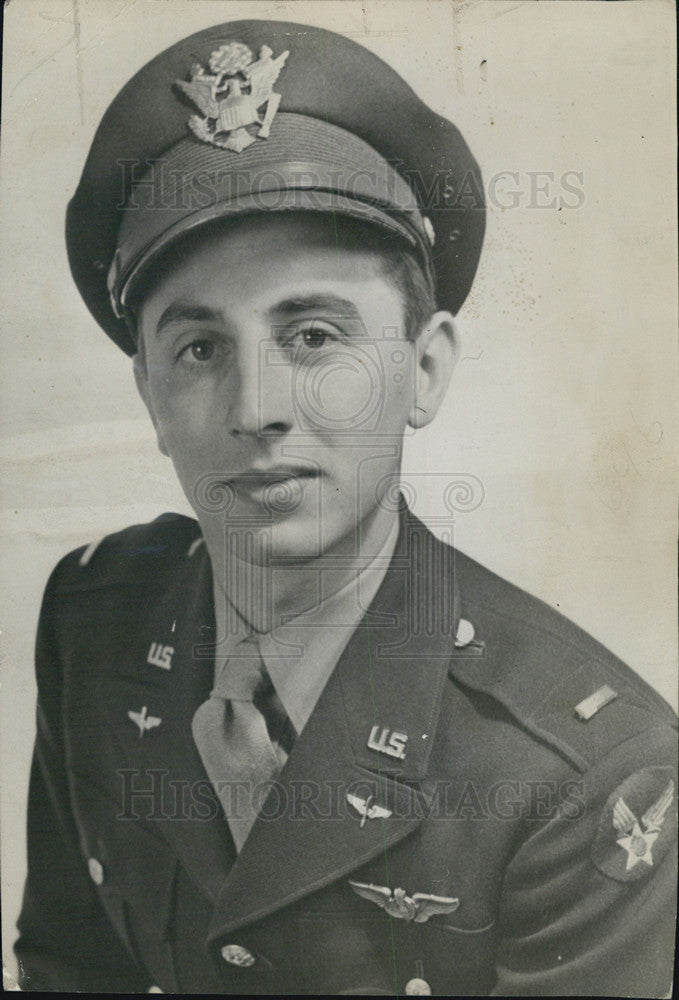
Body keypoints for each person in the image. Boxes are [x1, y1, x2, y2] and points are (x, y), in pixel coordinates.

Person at [14, 18, 676, 997]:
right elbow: (71, 967)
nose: (256, 410)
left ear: (423, 369)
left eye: (315, 335)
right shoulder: (94, 623)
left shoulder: (582, 773)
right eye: (198, 349)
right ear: (150, 396)